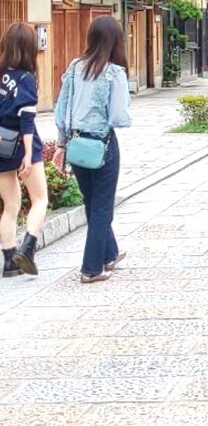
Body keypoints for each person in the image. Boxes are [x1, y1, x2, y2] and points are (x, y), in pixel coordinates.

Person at [53, 15, 133, 284]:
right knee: (103, 206)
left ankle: (109, 254)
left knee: (92, 201)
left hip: (76, 144)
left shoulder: (75, 67)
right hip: (102, 144)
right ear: (116, 40)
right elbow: (119, 117)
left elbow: (62, 110)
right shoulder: (113, 73)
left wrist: (61, 144)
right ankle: (91, 268)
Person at [0, 22, 48, 278]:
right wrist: (28, 155)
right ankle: (28, 248)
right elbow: (26, 120)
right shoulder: (26, 78)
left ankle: (9, 260)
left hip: (0, 146)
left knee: (10, 204)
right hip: (20, 144)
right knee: (40, 199)